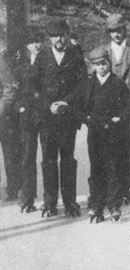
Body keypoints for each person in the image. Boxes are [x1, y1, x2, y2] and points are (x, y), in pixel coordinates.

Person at [29, 17, 87, 218]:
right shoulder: (42, 56)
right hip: (47, 119)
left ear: (67, 35)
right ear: (49, 38)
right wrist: (48, 105)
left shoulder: (75, 55)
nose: (58, 40)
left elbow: (82, 85)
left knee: (68, 159)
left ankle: (70, 202)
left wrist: (66, 102)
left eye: (61, 35)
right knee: (48, 160)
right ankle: (50, 203)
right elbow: (33, 86)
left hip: (68, 117)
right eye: (54, 36)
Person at [78, 46, 130, 223]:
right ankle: (96, 204)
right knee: (96, 168)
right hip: (95, 132)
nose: (101, 68)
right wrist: (87, 119)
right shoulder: (89, 84)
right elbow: (80, 106)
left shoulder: (117, 83)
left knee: (113, 167)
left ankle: (114, 205)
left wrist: (120, 119)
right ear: (93, 67)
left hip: (113, 131)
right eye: (97, 65)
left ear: (108, 64)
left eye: (104, 64)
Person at [105, 13, 130, 205]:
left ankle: (125, 189)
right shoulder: (104, 53)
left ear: (124, 30)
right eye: (112, 31)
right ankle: (109, 190)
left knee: (125, 149)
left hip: (128, 108)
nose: (116, 35)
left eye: (119, 30)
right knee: (107, 149)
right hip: (107, 108)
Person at [13, 26, 43, 212]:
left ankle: (50, 199)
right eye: (32, 42)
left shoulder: (48, 61)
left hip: (43, 113)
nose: (35, 45)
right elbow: (15, 90)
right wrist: (20, 107)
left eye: (38, 41)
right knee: (27, 157)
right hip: (27, 115)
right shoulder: (20, 64)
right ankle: (28, 197)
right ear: (26, 45)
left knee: (48, 156)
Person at [0, 46, 20, 202]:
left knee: (9, 152)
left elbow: (9, 87)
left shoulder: (1, 61)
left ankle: (14, 188)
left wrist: (1, 107)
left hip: (2, 115)